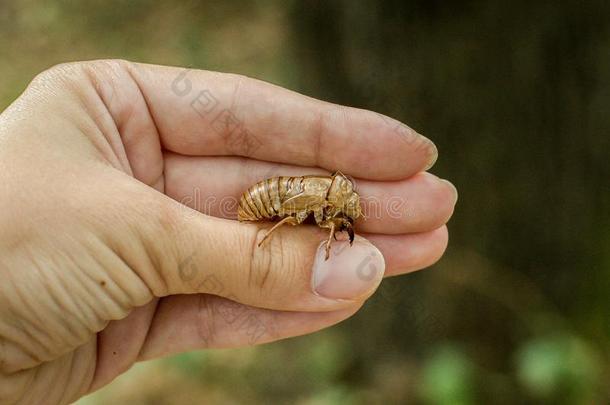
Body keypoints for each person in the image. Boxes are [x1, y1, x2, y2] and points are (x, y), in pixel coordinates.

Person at [0, 60, 457, 404]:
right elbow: (299, 215)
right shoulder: (319, 202)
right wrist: (265, 254)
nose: (347, 214)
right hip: (265, 203)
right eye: (344, 208)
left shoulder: (330, 204)